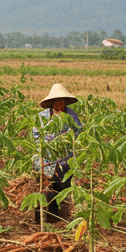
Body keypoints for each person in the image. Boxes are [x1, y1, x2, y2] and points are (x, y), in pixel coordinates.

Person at [32, 83, 82, 224]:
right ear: (52, 102)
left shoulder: (71, 115)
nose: (60, 103)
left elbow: (79, 131)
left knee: (64, 187)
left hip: (65, 159)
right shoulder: (42, 116)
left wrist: (66, 139)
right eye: (57, 100)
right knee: (46, 189)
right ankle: (41, 219)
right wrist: (48, 145)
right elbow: (36, 133)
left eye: (62, 100)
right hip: (46, 158)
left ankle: (61, 219)